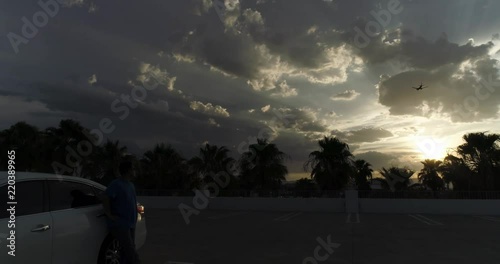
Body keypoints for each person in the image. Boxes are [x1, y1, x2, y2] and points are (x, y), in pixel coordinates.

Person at [101, 160, 141, 264]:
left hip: (131, 223)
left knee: (125, 252)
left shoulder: (131, 185)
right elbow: (105, 197)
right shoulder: (116, 184)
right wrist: (109, 214)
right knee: (130, 251)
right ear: (128, 170)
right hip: (121, 224)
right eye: (133, 168)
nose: (135, 171)